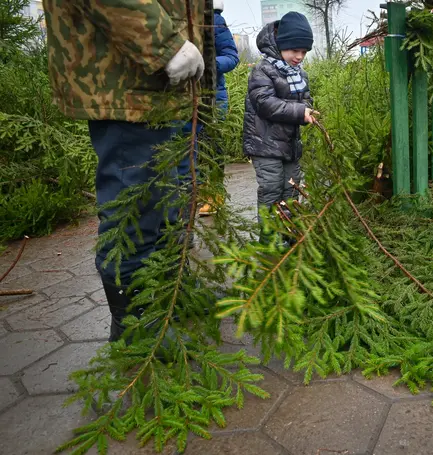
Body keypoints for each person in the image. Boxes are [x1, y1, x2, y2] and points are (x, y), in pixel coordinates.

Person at [42, 1, 214, 342]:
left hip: (162, 87)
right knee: (135, 205)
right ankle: (134, 321)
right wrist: (165, 44)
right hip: (126, 83)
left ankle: (166, 295)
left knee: (169, 200)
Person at [243, 11, 318, 241]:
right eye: (295, 50)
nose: (299, 56)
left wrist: (306, 110)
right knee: (271, 189)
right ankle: (269, 238)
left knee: (291, 189)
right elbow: (265, 104)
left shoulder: (299, 74)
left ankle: (287, 233)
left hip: (290, 145)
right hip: (264, 145)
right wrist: (298, 111)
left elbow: (306, 98)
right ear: (280, 45)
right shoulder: (263, 70)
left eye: (304, 52)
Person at [177, 0, 240, 217]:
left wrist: (206, 64)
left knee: (211, 147)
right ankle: (187, 199)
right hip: (181, 96)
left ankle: (213, 195)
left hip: (212, 96)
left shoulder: (214, 20)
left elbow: (232, 56)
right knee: (186, 147)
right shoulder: (177, 17)